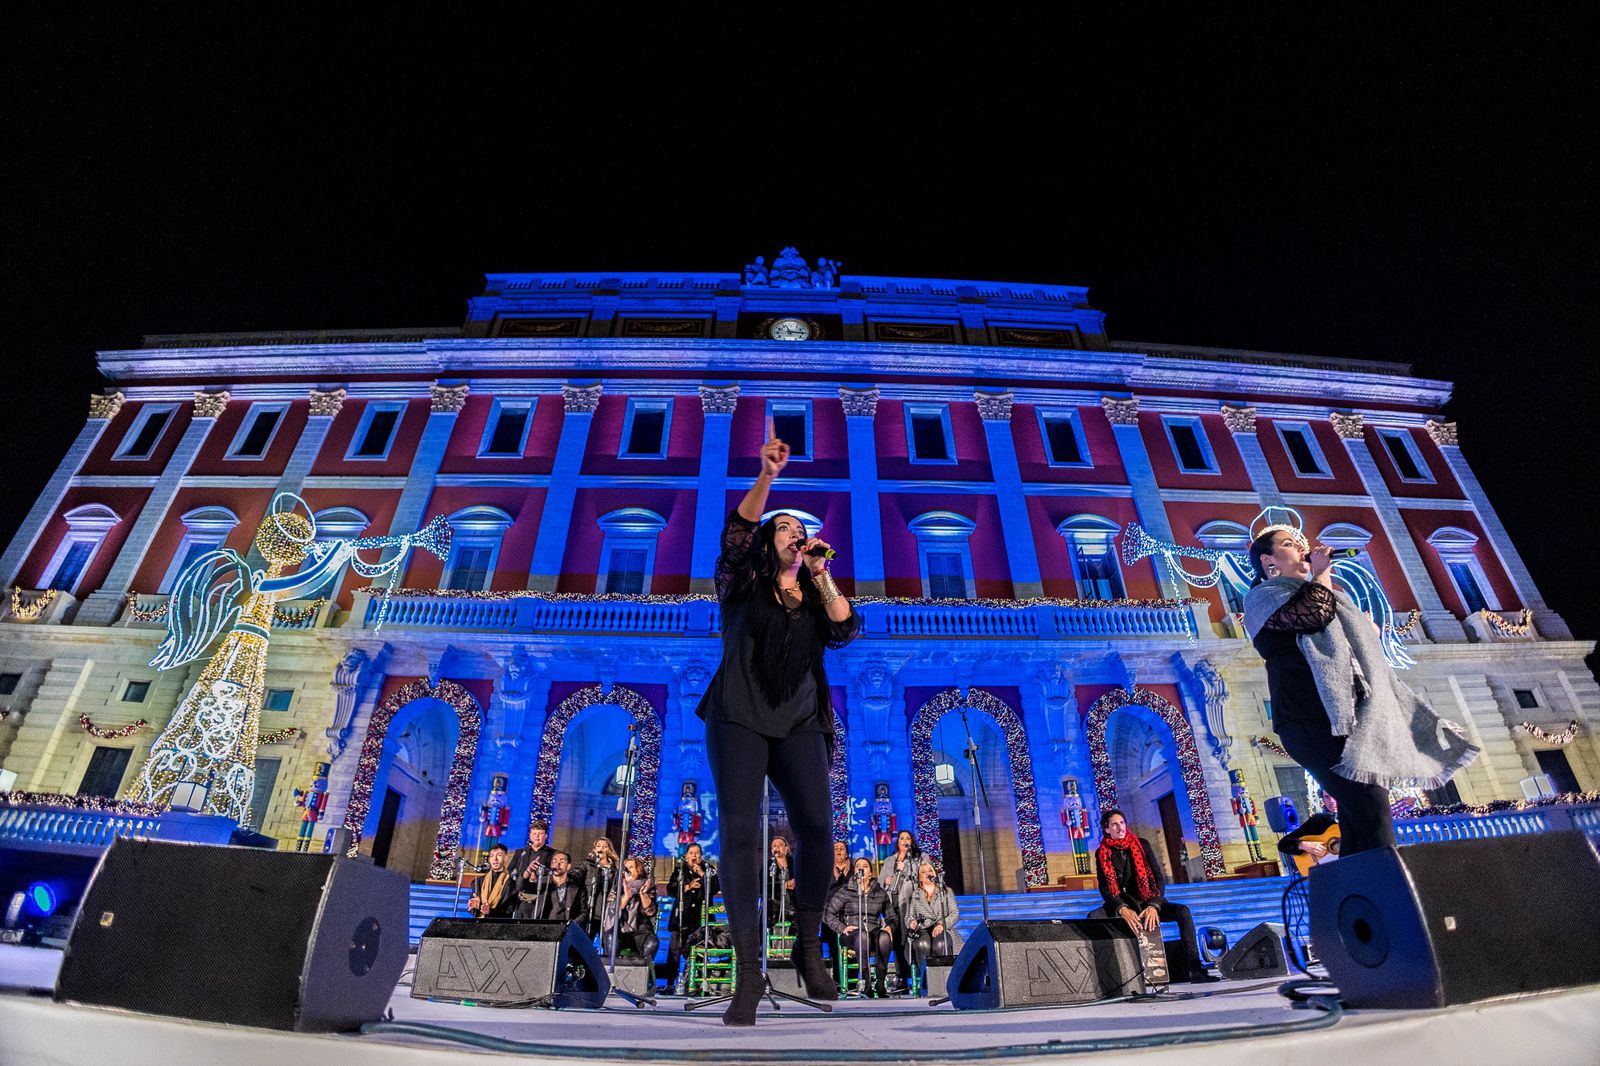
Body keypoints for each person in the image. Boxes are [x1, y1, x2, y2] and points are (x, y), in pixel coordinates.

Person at [695, 423, 861, 1024]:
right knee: (740, 834)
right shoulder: (739, 583)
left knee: (817, 828)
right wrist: (768, 475)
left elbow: (844, 627)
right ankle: (747, 973)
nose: (796, 534)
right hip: (738, 713)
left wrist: (819, 572)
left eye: (802, 530)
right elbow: (737, 533)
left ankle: (806, 941)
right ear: (770, 543)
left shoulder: (817, 591)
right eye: (785, 530)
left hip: (800, 720)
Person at [1243, 525, 1477, 856]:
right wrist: (1321, 574)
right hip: (1309, 719)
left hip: (1349, 719)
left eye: (1300, 543)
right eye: (1289, 545)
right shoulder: (1263, 598)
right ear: (1270, 562)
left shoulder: (1323, 595)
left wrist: (1364, 634)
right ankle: (1390, 896)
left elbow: (1333, 632)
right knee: (1372, 809)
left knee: (1357, 819)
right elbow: (1314, 615)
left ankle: (1358, 900)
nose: (1302, 548)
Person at [1092, 809, 1214, 983]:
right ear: (1106, 829)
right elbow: (1105, 888)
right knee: (1094, 917)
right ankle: (1107, 977)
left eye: (1122, 823)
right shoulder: (1101, 853)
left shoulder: (1142, 844)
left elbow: (1157, 877)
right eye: (1114, 824)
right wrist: (1121, 908)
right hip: (1125, 905)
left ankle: (1195, 968)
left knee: (1183, 912)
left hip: (1147, 900)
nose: (1120, 828)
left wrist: (1154, 905)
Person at [824, 857, 894, 997]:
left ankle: (880, 982)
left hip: (873, 932)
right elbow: (827, 913)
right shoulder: (846, 891)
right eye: (858, 866)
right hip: (852, 934)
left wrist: (889, 927)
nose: (861, 868)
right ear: (855, 871)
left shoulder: (879, 892)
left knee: (885, 937)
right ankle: (866, 981)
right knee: (862, 935)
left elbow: (892, 917)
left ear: (870, 872)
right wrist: (842, 927)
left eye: (865, 866)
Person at [664, 843, 719, 994]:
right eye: (691, 853)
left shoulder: (709, 869)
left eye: (697, 853)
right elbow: (671, 889)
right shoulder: (680, 869)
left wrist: (702, 874)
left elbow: (716, 887)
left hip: (701, 916)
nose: (694, 856)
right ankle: (670, 982)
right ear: (686, 855)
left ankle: (697, 981)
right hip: (682, 915)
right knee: (675, 950)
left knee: (699, 949)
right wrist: (688, 886)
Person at [903, 859, 961, 993]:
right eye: (923, 872)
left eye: (930, 870)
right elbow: (909, 916)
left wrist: (942, 924)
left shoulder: (946, 891)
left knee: (941, 943)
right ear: (919, 878)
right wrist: (911, 922)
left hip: (942, 927)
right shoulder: (915, 895)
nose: (927, 873)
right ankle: (926, 983)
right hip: (923, 928)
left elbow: (955, 913)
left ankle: (946, 982)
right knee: (922, 944)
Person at [878, 829, 922, 993]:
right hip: (893, 905)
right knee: (897, 942)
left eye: (908, 838)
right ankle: (902, 977)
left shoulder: (919, 858)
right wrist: (886, 881)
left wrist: (906, 869)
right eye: (902, 838)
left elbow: (923, 877)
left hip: (912, 904)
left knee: (911, 940)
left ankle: (918, 975)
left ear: (912, 841)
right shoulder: (890, 860)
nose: (905, 841)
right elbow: (881, 881)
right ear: (897, 842)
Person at [602, 855, 660, 965]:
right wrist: (626, 896)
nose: (628, 869)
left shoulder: (648, 886)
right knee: (610, 936)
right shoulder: (617, 887)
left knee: (652, 942)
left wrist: (642, 894)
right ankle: (610, 973)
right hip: (620, 932)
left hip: (640, 932)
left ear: (639, 870)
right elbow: (612, 912)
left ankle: (642, 974)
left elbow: (650, 912)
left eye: (631, 867)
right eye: (626, 867)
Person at [518, 850, 587, 925]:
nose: (557, 864)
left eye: (562, 862)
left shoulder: (577, 887)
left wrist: (572, 925)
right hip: (542, 928)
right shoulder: (542, 882)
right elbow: (521, 888)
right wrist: (528, 871)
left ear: (568, 866)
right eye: (554, 861)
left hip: (565, 930)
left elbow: (584, 913)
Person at [582, 837, 621, 939]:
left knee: (606, 942)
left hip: (606, 912)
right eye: (598, 846)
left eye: (605, 846)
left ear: (609, 849)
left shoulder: (615, 869)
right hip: (590, 910)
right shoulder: (589, 865)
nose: (601, 849)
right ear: (594, 849)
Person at [467, 843, 517, 919]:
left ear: (505, 858)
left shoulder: (511, 883)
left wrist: (490, 911)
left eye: (499, 855)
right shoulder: (479, 881)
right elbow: (473, 908)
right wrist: (474, 907)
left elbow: (509, 910)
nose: (495, 859)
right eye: (492, 856)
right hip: (479, 923)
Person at [509, 821, 556, 897]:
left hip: (541, 895)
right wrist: (523, 876)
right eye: (534, 833)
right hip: (519, 895)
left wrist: (537, 879)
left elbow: (555, 876)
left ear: (546, 836)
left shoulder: (553, 854)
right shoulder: (520, 852)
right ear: (530, 835)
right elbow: (510, 871)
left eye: (540, 834)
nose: (537, 837)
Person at [767, 835, 797, 929]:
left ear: (786, 849)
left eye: (780, 845)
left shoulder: (795, 863)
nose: (777, 847)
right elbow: (763, 887)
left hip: (794, 903)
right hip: (774, 903)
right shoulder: (768, 865)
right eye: (774, 846)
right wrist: (783, 885)